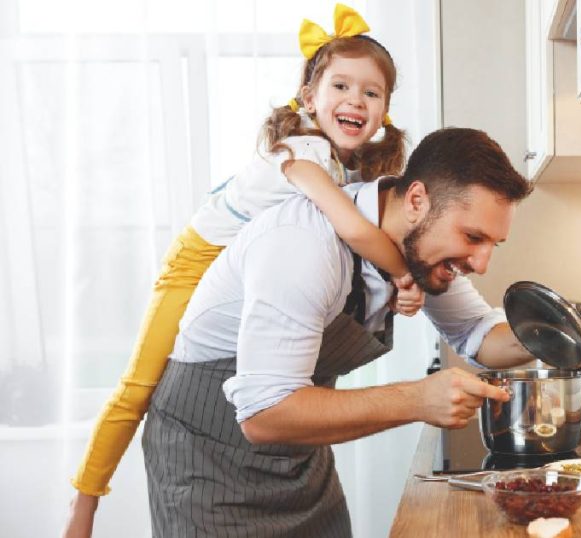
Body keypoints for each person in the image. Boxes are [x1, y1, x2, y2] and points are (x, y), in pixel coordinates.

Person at [63, 4, 423, 537]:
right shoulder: (302, 153)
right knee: (139, 384)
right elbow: (352, 229)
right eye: (341, 86)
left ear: (386, 110)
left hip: (240, 273)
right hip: (196, 260)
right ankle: (83, 506)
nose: (355, 100)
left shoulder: (352, 168)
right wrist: (403, 275)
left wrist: (395, 288)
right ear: (308, 99)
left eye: (371, 92)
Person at [143, 126, 534, 536]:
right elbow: (264, 414)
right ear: (417, 200)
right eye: (473, 237)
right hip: (209, 465)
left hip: (299, 461)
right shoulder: (304, 244)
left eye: (493, 243)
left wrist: (557, 334)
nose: (482, 262)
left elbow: (477, 333)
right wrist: (418, 399)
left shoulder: (419, 252)